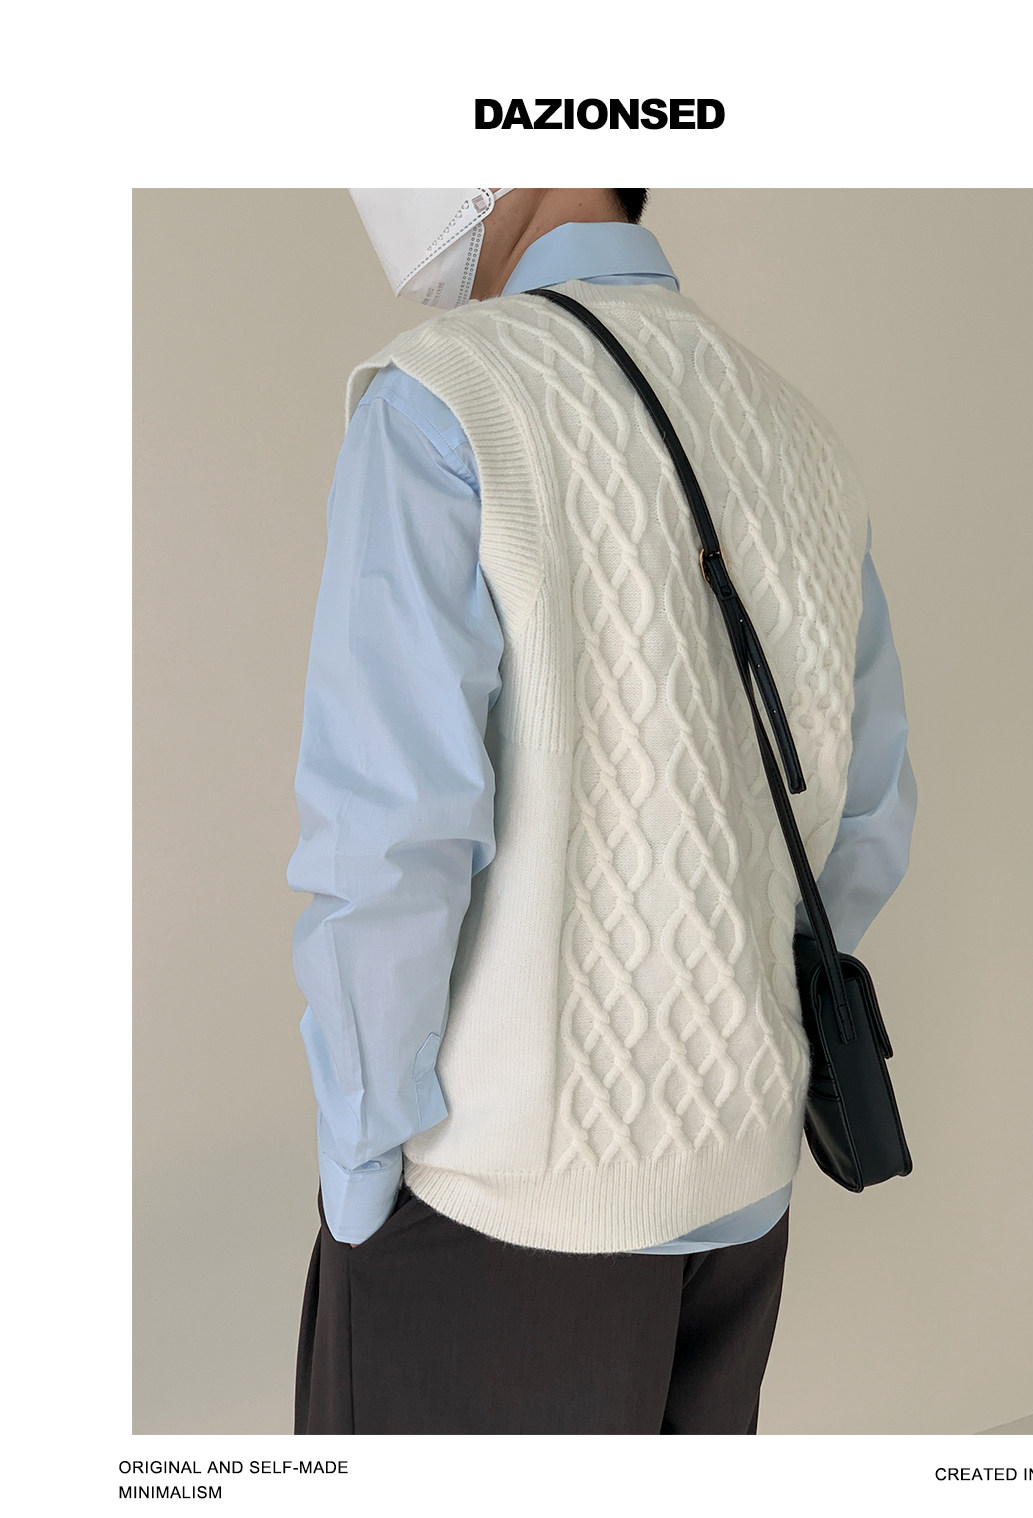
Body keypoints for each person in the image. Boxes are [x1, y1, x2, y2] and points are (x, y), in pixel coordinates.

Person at [288, 188, 917, 1434]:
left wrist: (361, 1175)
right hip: (741, 1201)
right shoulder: (798, 435)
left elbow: (390, 842)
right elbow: (866, 820)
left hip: (497, 1215)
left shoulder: (444, 402)